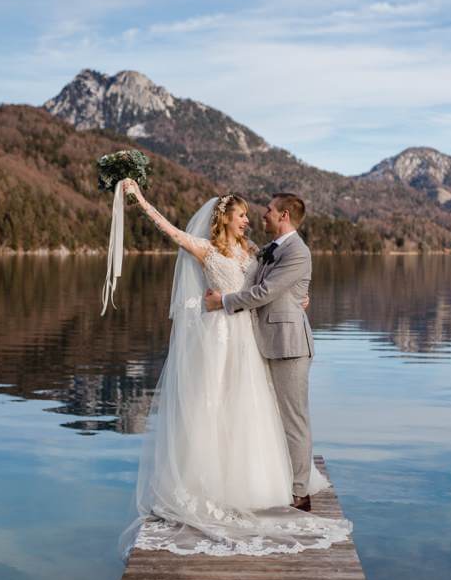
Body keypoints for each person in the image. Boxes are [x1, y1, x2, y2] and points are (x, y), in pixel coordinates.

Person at [118, 179, 350, 557]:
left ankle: (271, 485)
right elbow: (171, 230)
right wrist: (141, 200)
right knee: (214, 407)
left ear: (283, 215)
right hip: (221, 340)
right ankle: (212, 484)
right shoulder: (208, 249)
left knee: (254, 410)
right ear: (224, 217)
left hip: (250, 339)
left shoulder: (254, 250)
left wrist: (296, 299)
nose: (251, 218)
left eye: (258, 213)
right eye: (242, 214)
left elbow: (269, 288)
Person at [203, 193, 316, 510]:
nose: (261, 215)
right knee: (273, 418)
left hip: (289, 346)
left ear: (284, 216)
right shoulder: (268, 250)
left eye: (268, 210)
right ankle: (278, 482)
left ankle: (299, 493)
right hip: (264, 341)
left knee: (294, 420)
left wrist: (222, 303)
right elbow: (251, 279)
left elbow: (266, 292)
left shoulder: (297, 251)